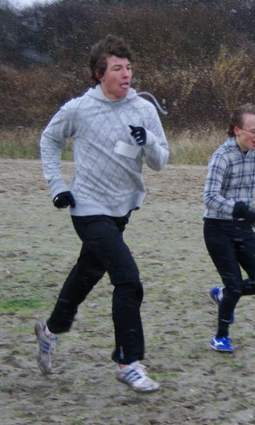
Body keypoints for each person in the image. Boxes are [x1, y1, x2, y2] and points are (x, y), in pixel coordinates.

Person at [35, 34, 169, 393]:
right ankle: (128, 361)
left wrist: (149, 141)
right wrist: (57, 186)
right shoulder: (79, 108)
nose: (126, 75)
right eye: (117, 69)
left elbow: (160, 163)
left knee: (88, 272)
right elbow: (48, 140)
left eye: (128, 68)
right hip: (87, 207)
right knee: (127, 278)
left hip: (122, 208)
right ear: (99, 74)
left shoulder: (143, 109)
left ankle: (50, 330)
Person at [203, 103, 255, 353]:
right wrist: (242, 209)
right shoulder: (221, 157)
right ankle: (220, 337)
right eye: (253, 131)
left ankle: (224, 294)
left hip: (244, 228)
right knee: (236, 285)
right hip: (218, 229)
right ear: (237, 130)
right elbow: (209, 197)